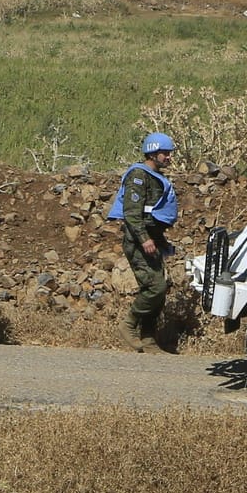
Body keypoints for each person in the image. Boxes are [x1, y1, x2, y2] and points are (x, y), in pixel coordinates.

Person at [109, 132, 179, 352]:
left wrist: (159, 240)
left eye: (169, 154)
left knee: (158, 290)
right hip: (138, 241)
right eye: (165, 153)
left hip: (153, 239)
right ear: (153, 152)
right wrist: (144, 238)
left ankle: (148, 339)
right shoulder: (138, 176)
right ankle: (128, 324)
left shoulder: (156, 176)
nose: (169, 157)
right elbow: (132, 213)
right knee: (155, 288)